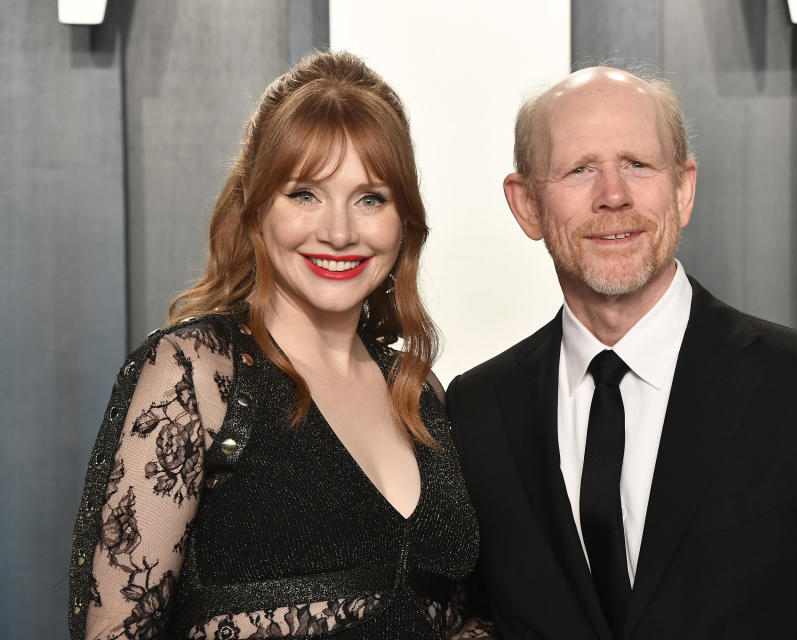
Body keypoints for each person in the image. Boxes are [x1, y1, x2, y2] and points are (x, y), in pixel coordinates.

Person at [445, 66, 797, 639]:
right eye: (580, 169)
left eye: (638, 164)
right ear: (527, 204)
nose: (613, 195)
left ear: (682, 190)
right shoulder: (478, 409)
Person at [68, 50, 493, 640]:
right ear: (256, 208)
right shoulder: (195, 376)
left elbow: (457, 612)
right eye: (305, 194)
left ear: (404, 221)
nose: (340, 231)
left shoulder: (422, 396)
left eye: (371, 197)